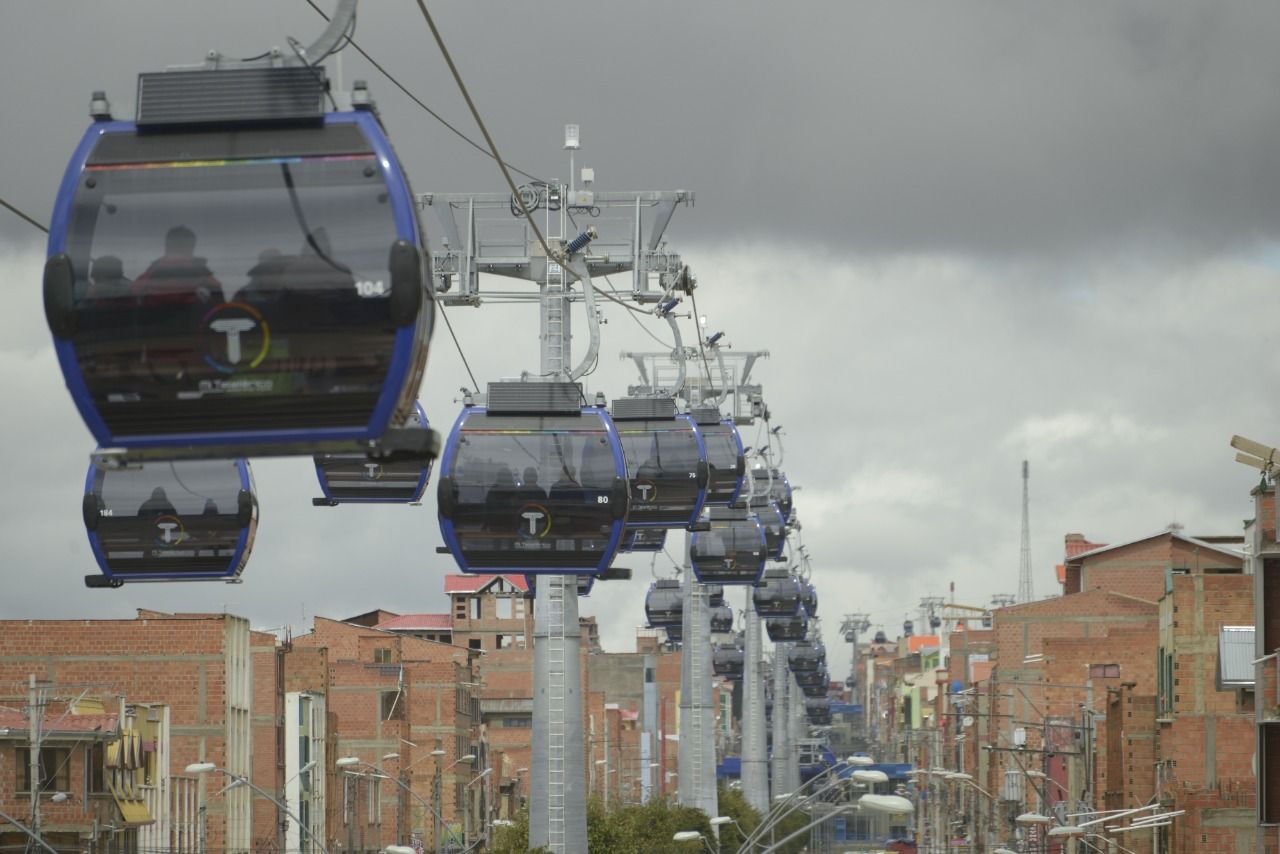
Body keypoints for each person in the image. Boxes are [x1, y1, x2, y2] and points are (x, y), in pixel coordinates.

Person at [132, 226, 225, 307]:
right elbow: (220, 313)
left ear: (167, 246)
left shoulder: (145, 280)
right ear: (192, 247)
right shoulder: (208, 281)